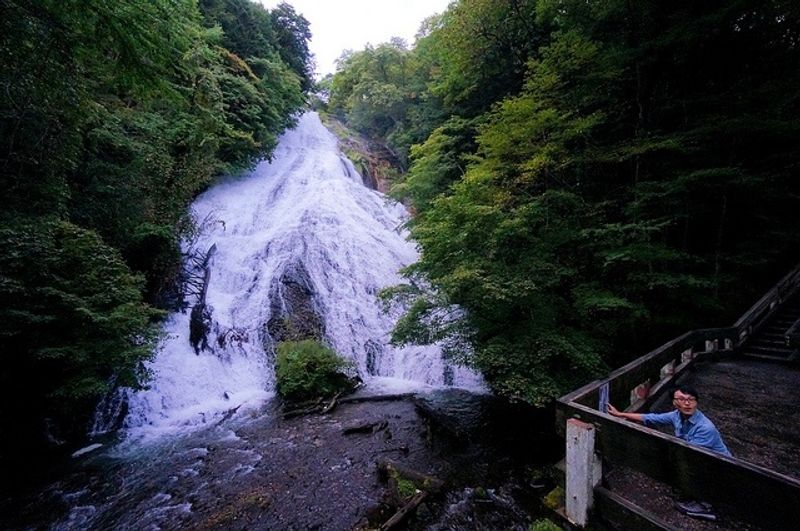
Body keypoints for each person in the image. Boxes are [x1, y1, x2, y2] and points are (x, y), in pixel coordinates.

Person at [606, 384, 731, 521]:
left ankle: (706, 506)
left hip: (718, 468)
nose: (687, 403)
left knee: (684, 466)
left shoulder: (705, 428)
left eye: (691, 399)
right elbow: (651, 418)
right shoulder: (676, 415)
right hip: (700, 460)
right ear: (674, 402)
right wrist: (620, 414)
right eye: (682, 399)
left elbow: (691, 455)